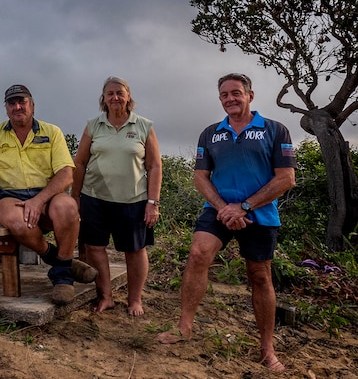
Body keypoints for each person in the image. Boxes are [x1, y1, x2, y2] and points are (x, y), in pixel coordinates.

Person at [157, 73, 295, 373]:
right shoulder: (211, 133)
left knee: (259, 275)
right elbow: (200, 177)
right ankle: (184, 327)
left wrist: (244, 207)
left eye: (236, 93)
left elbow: (286, 178)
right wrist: (224, 209)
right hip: (219, 210)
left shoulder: (275, 130)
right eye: (224, 94)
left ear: (250, 95)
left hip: (258, 213)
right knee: (197, 254)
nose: (230, 98)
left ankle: (266, 348)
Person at [0, 84, 98, 305]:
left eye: (22, 101)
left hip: (48, 194)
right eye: (12, 103)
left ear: (32, 105)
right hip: (8, 196)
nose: (17, 106)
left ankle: (62, 278)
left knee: (68, 208)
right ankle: (61, 264)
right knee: (17, 222)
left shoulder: (52, 132)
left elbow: (66, 174)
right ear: (6, 109)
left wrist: (39, 200)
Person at [72, 76, 163, 316]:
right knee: (95, 247)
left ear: (128, 97)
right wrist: (75, 196)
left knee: (135, 250)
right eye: (110, 93)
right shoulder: (94, 125)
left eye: (119, 93)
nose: (115, 97)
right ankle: (106, 297)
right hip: (94, 197)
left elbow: (154, 166)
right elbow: (79, 163)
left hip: (133, 200)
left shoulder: (143, 125)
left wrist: (152, 203)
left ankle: (135, 300)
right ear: (103, 98)